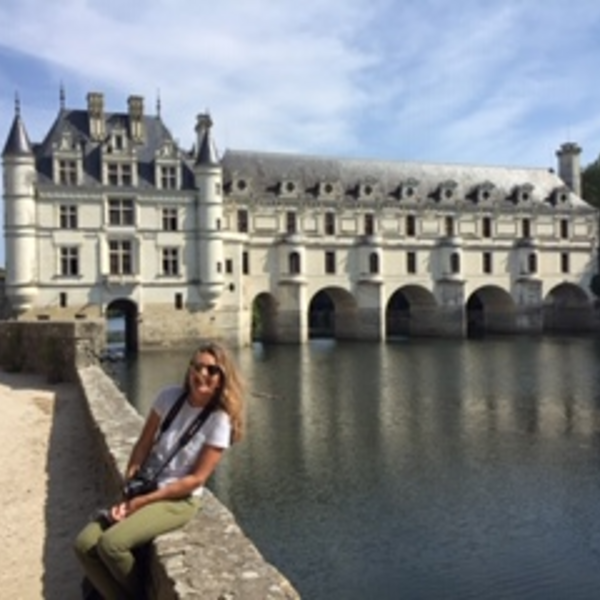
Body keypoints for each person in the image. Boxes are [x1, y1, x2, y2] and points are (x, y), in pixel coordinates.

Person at [74, 341, 244, 599]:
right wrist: (131, 485)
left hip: (178, 499)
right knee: (84, 544)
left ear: (222, 377)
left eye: (212, 370)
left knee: (112, 545)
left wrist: (144, 501)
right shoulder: (169, 396)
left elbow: (196, 479)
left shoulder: (218, 420)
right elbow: (143, 444)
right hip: (148, 486)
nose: (202, 374)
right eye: (197, 367)